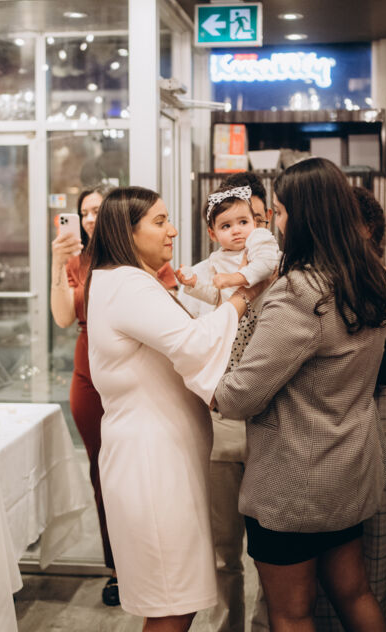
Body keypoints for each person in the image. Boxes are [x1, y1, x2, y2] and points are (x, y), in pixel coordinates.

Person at [214, 158, 386, 632]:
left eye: (277, 211)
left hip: (293, 483)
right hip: (347, 468)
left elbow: (242, 395)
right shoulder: (367, 279)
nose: (272, 223)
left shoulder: (301, 292)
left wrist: (211, 385)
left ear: (305, 216)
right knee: (355, 593)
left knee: (292, 613)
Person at [85, 186, 268, 631]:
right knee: (173, 601)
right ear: (127, 232)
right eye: (160, 221)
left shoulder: (123, 279)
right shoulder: (128, 283)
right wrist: (245, 296)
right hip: (152, 460)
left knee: (174, 597)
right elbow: (194, 343)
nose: (172, 231)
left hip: (157, 453)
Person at [314, 186, 386, 632]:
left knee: (373, 570)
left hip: (378, 417)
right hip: (322, 427)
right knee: (319, 578)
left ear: (368, 228)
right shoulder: (313, 284)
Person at [178, 171, 276, 632]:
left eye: (249, 220)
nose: (241, 230)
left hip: (273, 419)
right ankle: (227, 626)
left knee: (274, 549)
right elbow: (192, 346)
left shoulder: (278, 265)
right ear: (212, 229)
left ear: (263, 219)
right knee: (223, 549)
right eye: (229, 223)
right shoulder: (201, 274)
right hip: (219, 418)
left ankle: (269, 623)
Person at [50, 184, 119, 606]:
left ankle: (146, 557)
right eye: (84, 212)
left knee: (136, 466)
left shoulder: (134, 254)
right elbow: (62, 317)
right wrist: (58, 264)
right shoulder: (75, 261)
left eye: (97, 210)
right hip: (87, 375)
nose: (90, 218)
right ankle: (116, 568)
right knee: (101, 472)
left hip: (129, 371)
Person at [178, 185, 278, 309]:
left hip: (265, 313)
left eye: (243, 222)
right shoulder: (217, 259)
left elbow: (267, 265)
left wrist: (235, 278)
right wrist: (195, 284)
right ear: (213, 234)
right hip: (235, 317)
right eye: (226, 226)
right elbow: (216, 297)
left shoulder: (258, 238)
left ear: (254, 222)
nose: (236, 230)